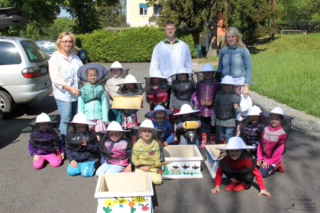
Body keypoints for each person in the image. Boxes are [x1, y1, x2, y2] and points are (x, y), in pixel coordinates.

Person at [49, 32, 83, 142]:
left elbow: (82, 73)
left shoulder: (75, 57)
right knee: (66, 119)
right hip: (64, 95)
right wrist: (70, 88)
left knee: (76, 119)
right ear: (59, 42)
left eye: (70, 41)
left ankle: (75, 141)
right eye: (65, 41)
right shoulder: (55, 58)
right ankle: (64, 144)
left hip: (76, 94)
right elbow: (56, 79)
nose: (67, 43)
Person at [257, 107, 293, 178]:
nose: (274, 121)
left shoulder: (282, 134)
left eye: (277, 119)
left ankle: (276, 166)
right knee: (251, 167)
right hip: (264, 156)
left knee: (261, 174)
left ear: (281, 120)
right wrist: (259, 157)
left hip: (273, 159)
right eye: (272, 118)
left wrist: (268, 161)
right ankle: (263, 163)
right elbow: (261, 144)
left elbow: (279, 151)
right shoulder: (265, 129)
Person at [217, 27, 253, 97]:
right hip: (225, 83)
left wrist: (246, 85)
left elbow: (248, 67)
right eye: (228, 37)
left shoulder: (243, 50)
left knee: (237, 106)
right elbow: (219, 68)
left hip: (238, 83)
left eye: (232, 36)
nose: (230, 39)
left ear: (237, 37)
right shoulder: (222, 51)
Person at [192, 63, 219, 148]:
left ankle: (213, 141)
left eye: (209, 72)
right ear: (203, 74)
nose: (207, 74)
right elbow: (195, 94)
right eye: (205, 72)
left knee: (212, 125)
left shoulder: (216, 83)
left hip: (212, 110)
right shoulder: (200, 83)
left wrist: (213, 102)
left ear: (212, 73)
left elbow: (218, 95)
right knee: (203, 125)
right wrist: (199, 102)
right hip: (202, 110)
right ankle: (203, 140)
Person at [65, 113, 98, 177]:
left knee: (86, 174)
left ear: (86, 126)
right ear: (75, 126)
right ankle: (84, 168)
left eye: (83, 127)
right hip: (76, 159)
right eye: (79, 127)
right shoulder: (71, 135)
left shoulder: (91, 135)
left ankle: (92, 165)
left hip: (88, 159)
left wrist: (87, 145)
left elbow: (96, 148)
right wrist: (71, 160)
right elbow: (68, 149)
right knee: (71, 172)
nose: (81, 129)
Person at [78, 65, 108, 133]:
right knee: (88, 133)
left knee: (99, 134)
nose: (93, 77)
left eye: (94, 75)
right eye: (90, 75)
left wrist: (105, 117)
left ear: (97, 76)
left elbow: (104, 103)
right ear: (87, 76)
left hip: (99, 116)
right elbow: (80, 104)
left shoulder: (100, 88)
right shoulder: (83, 89)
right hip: (88, 116)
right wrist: (81, 117)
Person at [131, 119, 163, 185]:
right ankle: (146, 180)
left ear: (153, 134)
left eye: (149, 131)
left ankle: (148, 179)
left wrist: (158, 167)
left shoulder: (155, 144)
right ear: (140, 134)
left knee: (158, 181)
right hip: (141, 167)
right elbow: (134, 158)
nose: (147, 133)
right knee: (140, 181)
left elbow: (157, 157)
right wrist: (141, 167)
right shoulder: (137, 145)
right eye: (144, 131)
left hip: (152, 167)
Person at [211, 75, 241, 144]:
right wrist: (213, 119)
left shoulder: (235, 96)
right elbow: (215, 107)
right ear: (222, 86)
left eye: (229, 85)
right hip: (220, 120)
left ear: (232, 86)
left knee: (228, 135)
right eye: (225, 85)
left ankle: (228, 148)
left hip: (230, 120)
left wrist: (237, 108)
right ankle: (222, 145)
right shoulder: (219, 95)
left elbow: (238, 112)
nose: (227, 87)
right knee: (221, 135)